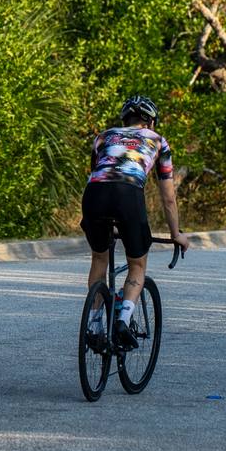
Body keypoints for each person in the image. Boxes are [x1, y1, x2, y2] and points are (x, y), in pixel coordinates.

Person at [81, 95, 190, 350]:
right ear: (150, 121)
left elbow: (100, 175)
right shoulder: (158, 141)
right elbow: (168, 198)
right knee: (137, 264)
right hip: (128, 195)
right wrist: (176, 234)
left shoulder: (103, 137)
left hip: (94, 196)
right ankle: (123, 320)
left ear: (124, 120)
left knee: (99, 259)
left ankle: (94, 326)